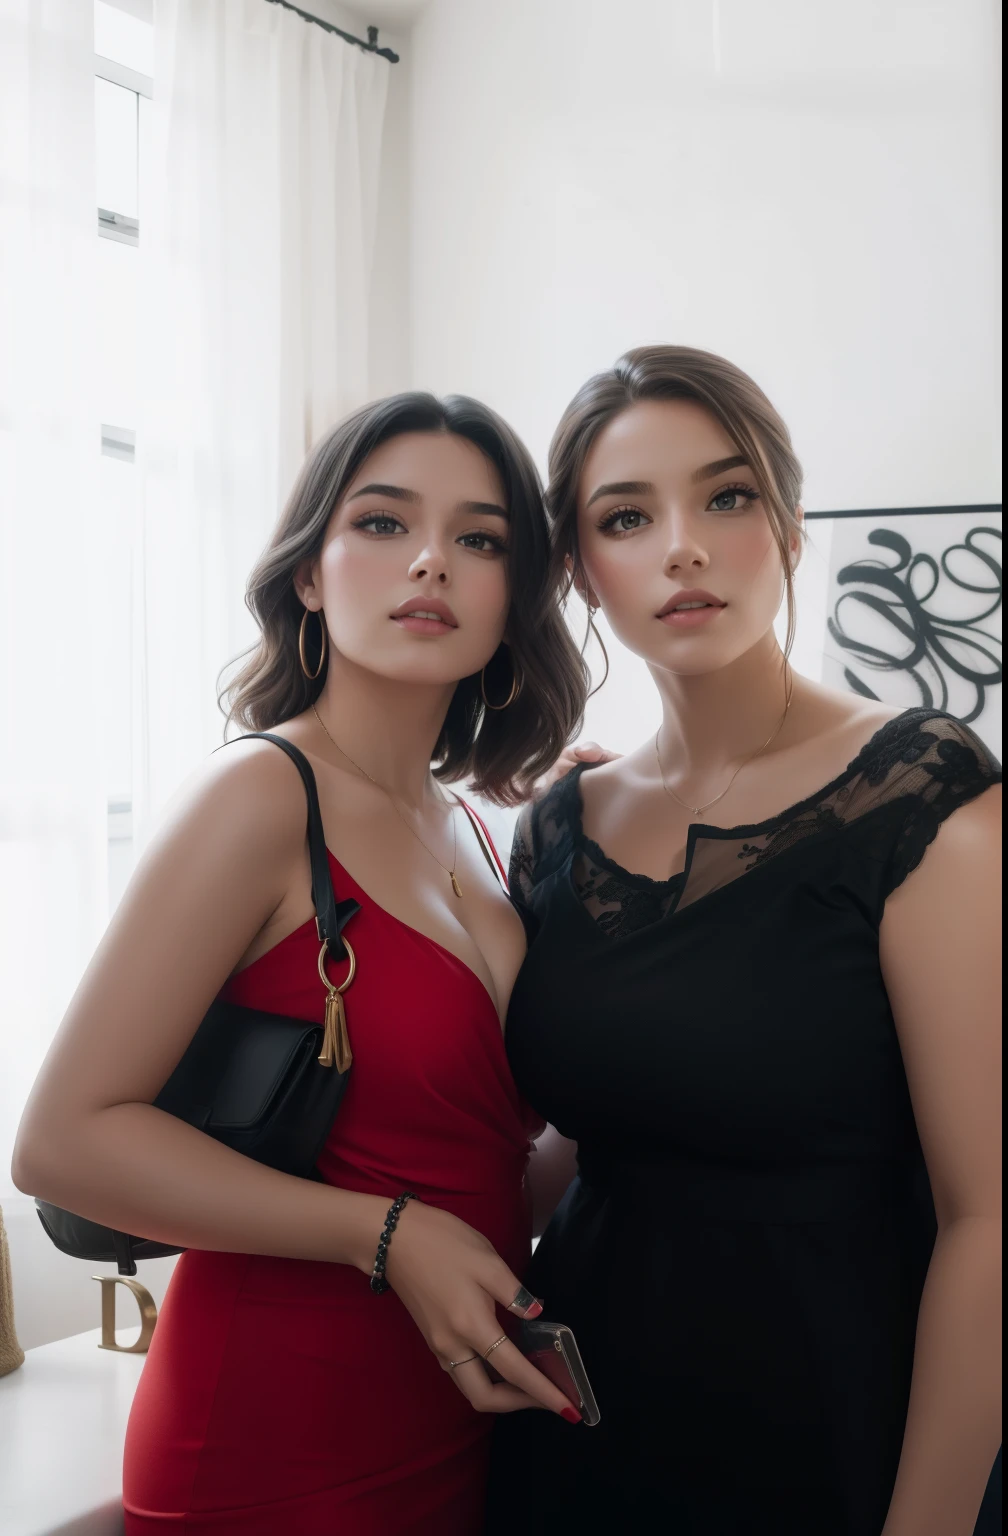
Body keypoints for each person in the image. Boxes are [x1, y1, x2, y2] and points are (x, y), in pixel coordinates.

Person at [11, 392, 590, 1535]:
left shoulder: (475, 829)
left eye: (479, 540)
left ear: (510, 600)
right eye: (383, 523)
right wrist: (385, 1233)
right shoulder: (261, 797)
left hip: (459, 1403)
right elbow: (61, 1144)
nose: (431, 560)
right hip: (274, 1430)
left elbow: (492, 1153)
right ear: (311, 575)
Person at [486, 346, 1002, 1535]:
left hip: (833, 1419)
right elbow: (576, 1135)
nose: (683, 546)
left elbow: (990, 1219)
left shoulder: (926, 798)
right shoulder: (559, 825)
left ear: (786, 520)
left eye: (725, 497)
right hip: (581, 1426)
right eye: (627, 515)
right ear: (578, 570)